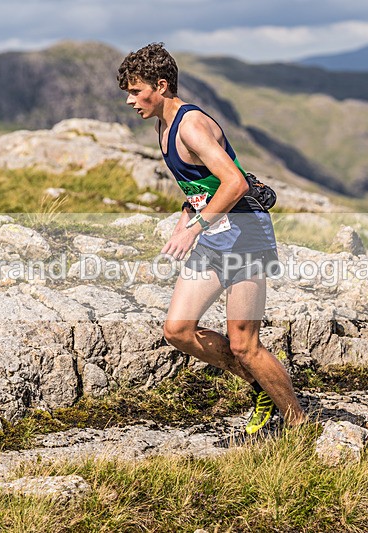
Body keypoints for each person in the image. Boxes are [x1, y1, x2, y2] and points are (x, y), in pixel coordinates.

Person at [117, 42, 307, 435]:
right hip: (215, 234)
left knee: (244, 345)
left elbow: (235, 183)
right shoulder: (163, 126)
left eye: (136, 91)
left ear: (162, 84)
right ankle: (260, 388)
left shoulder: (191, 125)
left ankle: (299, 424)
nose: (130, 100)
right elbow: (201, 185)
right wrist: (185, 219)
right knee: (177, 331)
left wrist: (196, 227)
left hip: (246, 236)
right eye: (128, 93)